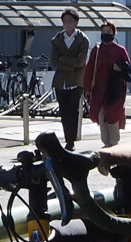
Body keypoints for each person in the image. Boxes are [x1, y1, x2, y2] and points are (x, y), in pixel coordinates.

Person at [83, 21, 131, 148]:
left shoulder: (120, 50)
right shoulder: (96, 50)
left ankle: (114, 144)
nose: (106, 34)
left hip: (115, 89)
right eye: (103, 32)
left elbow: (128, 69)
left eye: (109, 32)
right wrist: (87, 88)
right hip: (99, 88)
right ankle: (106, 143)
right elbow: (89, 69)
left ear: (114, 34)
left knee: (113, 114)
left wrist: (120, 68)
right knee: (101, 115)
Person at [50, 8, 90, 150]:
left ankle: (71, 141)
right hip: (60, 81)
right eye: (65, 21)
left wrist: (65, 60)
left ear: (76, 22)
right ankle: (67, 138)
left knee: (73, 110)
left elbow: (81, 61)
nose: (67, 24)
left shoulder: (82, 39)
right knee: (63, 110)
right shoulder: (57, 39)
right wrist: (70, 63)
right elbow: (55, 60)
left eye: (70, 21)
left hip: (77, 80)